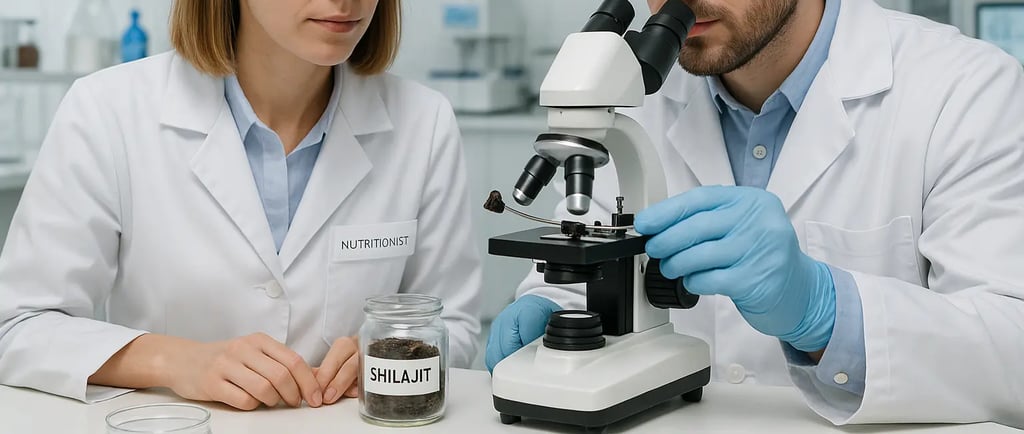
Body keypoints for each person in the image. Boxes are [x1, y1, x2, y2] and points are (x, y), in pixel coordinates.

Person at [487, 0, 1024, 428]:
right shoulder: (638, 97)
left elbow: (1013, 354)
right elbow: (585, 252)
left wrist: (827, 310)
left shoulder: (966, 90)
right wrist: (549, 314)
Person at [0, 0, 482, 411]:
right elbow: (19, 327)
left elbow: (455, 326)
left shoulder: (424, 121)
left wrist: (396, 354)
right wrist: (176, 361)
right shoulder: (107, 111)